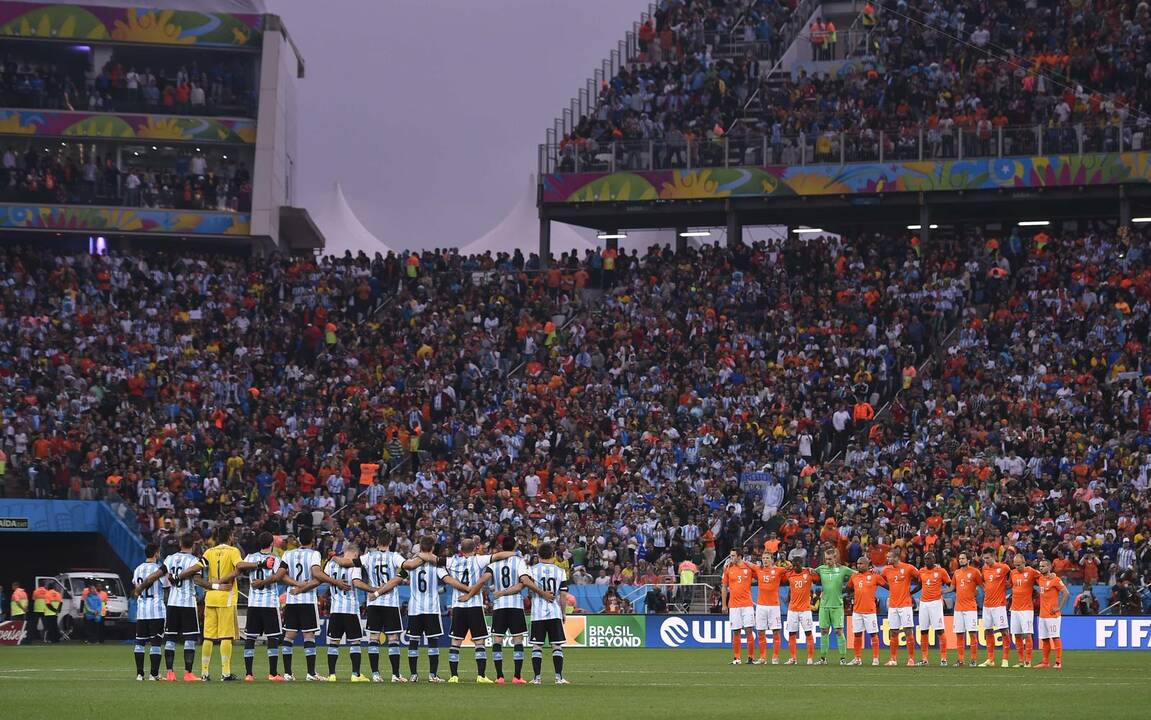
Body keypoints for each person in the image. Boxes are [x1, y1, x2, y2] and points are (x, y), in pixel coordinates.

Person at [477, 536, 555, 684]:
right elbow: (524, 582)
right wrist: (543, 593)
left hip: (499, 606)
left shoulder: (494, 563)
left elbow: (484, 580)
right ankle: (517, 676)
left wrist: (494, 591)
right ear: (515, 547)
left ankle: (499, 676)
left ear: (502, 547)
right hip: (515, 605)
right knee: (517, 640)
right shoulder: (519, 561)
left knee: (497, 640)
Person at [401, 535, 473, 683]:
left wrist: (378, 591)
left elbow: (398, 577)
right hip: (431, 609)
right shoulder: (437, 565)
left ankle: (413, 674)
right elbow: (449, 580)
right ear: (432, 548)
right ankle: (432, 675)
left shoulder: (410, 563)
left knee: (413, 642)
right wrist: (467, 588)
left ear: (420, 547)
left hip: (414, 609)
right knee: (433, 641)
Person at [280, 527, 348, 681]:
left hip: (291, 600)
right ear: (313, 540)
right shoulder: (314, 554)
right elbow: (317, 574)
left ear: (298, 539)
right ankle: (311, 673)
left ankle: (287, 673)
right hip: (307, 601)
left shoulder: (288, 554)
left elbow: (281, 575)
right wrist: (335, 581)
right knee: (309, 636)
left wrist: (296, 585)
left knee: (289, 636)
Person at [445, 538, 516, 683]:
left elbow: (433, 559)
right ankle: (481, 676)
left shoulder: (451, 561)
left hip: (458, 605)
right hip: (475, 606)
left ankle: (453, 676)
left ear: (461, 549)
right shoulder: (479, 560)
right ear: (475, 548)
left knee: (456, 642)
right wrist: (512, 553)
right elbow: (498, 556)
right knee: (479, 642)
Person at [235, 531, 288, 681]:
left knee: (250, 638)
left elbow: (240, 567)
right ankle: (272, 674)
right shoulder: (276, 559)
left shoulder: (250, 557)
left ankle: (248, 674)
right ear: (271, 543)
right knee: (272, 638)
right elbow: (279, 577)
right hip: (269, 604)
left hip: (253, 604)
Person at [321, 541, 376, 682]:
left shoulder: (330, 563)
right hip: (350, 609)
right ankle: (355, 674)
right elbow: (357, 583)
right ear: (356, 554)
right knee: (355, 642)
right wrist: (374, 589)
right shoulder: (355, 564)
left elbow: (323, 578)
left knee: (334, 642)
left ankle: (331, 675)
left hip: (335, 609)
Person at [358, 531, 409, 682]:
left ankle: (375, 674)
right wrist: (398, 578)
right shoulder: (395, 556)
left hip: (373, 602)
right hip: (390, 603)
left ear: (377, 541)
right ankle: (395, 675)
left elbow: (353, 564)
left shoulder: (368, 556)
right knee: (393, 638)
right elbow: (406, 570)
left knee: (374, 638)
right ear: (391, 541)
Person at [163, 533, 214, 682]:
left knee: (170, 638)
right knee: (190, 637)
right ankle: (188, 673)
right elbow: (197, 580)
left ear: (180, 543)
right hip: (187, 602)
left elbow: (162, 573)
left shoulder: (169, 559)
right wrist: (214, 586)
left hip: (172, 602)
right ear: (193, 545)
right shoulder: (194, 561)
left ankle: (170, 673)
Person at [200, 524, 243, 681]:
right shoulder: (233, 551)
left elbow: (199, 568)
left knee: (208, 637)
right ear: (230, 537)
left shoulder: (209, 552)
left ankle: (204, 673)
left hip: (210, 596)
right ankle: (225, 673)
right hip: (226, 597)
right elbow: (239, 567)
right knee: (226, 636)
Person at [528, 542, 570, 685]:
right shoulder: (560, 571)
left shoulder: (531, 570)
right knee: (557, 646)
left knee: (537, 646)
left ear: (538, 555)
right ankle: (559, 677)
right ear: (553, 555)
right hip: (554, 612)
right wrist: (564, 613)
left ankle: (537, 678)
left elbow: (529, 591)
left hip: (538, 613)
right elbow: (563, 596)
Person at [131, 543, 167, 680]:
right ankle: (154, 674)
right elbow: (167, 586)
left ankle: (140, 674)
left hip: (142, 611)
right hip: (156, 611)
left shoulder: (138, 569)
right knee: (156, 642)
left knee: (139, 642)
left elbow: (136, 587)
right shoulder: (159, 569)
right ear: (156, 553)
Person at [813, 547, 854, 665]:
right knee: (824, 631)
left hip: (837, 605)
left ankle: (842, 659)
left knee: (838, 631)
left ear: (835, 558)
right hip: (824, 606)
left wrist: (849, 589)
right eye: (826, 559)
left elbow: (857, 574)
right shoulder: (821, 569)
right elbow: (810, 572)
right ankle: (823, 659)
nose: (828, 561)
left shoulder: (843, 569)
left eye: (830, 559)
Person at [880, 547, 920, 666]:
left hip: (905, 605)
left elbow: (920, 578)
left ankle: (911, 659)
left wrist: (912, 592)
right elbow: (880, 580)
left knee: (908, 631)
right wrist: (890, 589)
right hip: (893, 605)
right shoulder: (886, 570)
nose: (887, 559)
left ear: (896, 557)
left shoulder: (908, 568)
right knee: (893, 632)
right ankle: (893, 659)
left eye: (889, 557)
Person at [916, 552, 951, 666]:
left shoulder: (941, 571)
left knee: (939, 630)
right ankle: (924, 659)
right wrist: (909, 592)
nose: (927, 561)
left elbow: (950, 584)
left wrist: (944, 592)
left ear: (934, 559)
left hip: (936, 603)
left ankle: (943, 658)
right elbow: (920, 585)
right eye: (925, 559)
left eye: (929, 559)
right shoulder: (921, 571)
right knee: (923, 631)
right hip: (923, 603)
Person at [720, 548, 755, 664]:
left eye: (733, 556)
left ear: (740, 556)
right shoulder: (728, 568)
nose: (731, 558)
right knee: (736, 631)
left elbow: (761, 571)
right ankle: (737, 658)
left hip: (747, 604)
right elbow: (724, 587)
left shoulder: (749, 568)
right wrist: (724, 604)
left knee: (749, 630)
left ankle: (750, 657)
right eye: (730, 556)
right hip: (734, 605)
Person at [751, 551, 787, 664]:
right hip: (761, 606)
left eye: (767, 558)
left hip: (774, 606)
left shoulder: (778, 570)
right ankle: (763, 658)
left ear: (772, 560)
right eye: (763, 558)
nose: (765, 560)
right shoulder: (758, 569)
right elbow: (747, 564)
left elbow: (791, 567)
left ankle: (775, 657)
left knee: (776, 631)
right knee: (760, 632)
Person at [978, 549, 1012, 668]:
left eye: (988, 558)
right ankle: (990, 659)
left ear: (994, 557)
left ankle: (1005, 659)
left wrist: (1006, 587)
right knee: (988, 631)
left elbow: (1012, 578)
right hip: (987, 605)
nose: (986, 561)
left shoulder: (1004, 568)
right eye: (984, 558)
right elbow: (983, 582)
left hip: (999, 605)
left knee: (1003, 631)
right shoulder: (984, 569)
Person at [847, 557, 882, 665]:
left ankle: (875, 658)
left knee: (873, 634)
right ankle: (857, 659)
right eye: (857, 563)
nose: (858, 565)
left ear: (867, 565)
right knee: (857, 634)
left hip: (870, 611)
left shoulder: (874, 576)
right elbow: (848, 588)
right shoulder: (854, 576)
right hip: (857, 611)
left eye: (861, 564)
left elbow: (887, 585)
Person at [1035, 559, 1070, 669]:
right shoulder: (1039, 578)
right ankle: (1045, 662)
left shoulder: (1055, 579)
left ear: (1049, 567)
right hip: (1042, 615)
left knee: (1055, 637)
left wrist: (1059, 607)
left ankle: (1058, 662)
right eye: (1040, 566)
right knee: (1044, 639)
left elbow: (1066, 593)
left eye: (1043, 566)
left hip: (1052, 615)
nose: (1041, 568)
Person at [951, 551, 983, 666]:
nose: (961, 560)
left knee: (972, 633)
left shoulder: (975, 572)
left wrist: (978, 592)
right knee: (959, 634)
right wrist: (940, 591)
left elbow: (981, 585)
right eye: (959, 558)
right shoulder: (957, 572)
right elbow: (952, 587)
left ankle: (973, 660)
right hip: (958, 608)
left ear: (968, 559)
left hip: (970, 608)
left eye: (963, 558)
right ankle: (960, 660)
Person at [1009, 554, 1041, 668]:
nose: (1017, 567)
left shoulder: (1031, 571)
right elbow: (1010, 585)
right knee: (1016, 634)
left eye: (1019, 564)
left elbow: (1042, 578)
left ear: (1024, 563)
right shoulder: (1013, 573)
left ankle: (1028, 660)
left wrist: (1051, 576)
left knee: (1027, 634)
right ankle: (1021, 660)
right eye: (1015, 564)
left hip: (1026, 609)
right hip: (1014, 608)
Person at [782, 560, 817, 665]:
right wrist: (786, 568)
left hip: (805, 610)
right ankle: (793, 658)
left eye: (797, 565)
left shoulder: (808, 573)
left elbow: (818, 577)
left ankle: (810, 658)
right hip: (792, 609)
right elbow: (780, 577)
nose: (795, 567)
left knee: (808, 633)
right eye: (794, 565)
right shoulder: (790, 574)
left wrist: (813, 570)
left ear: (801, 565)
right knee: (791, 633)